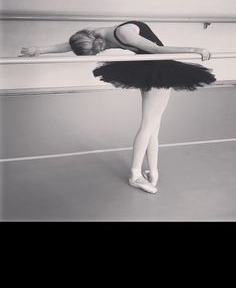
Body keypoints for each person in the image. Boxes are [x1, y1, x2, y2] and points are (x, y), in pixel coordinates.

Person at [19, 20, 216, 194]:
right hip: (154, 68)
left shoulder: (122, 33)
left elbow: (156, 50)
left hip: (156, 67)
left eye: (96, 51)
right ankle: (135, 175)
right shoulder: (93, 33)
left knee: (153, 126)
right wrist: (39, 50)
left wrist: (195, 49)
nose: (100, 51)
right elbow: (70, 45)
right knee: (150, 124)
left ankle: (152, 172)